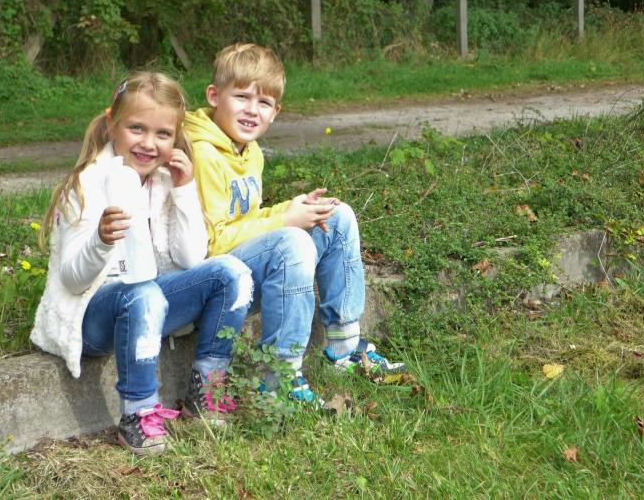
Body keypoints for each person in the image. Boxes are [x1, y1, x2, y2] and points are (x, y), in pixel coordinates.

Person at [31, 71, 252, 455]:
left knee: (231, 273)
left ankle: (207, 388)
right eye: (137, 128)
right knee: (143, 294)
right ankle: (138, 412)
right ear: (112, 124)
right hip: (91, 316)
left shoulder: (165, 181)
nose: (149, 144)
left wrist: (184, 190)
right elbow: (71, 280)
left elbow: (191, 258)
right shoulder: (88, 183)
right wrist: (101, 241)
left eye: (163, 134)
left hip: (148, 306)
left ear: (176, 137)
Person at [184, 43, 405, 403]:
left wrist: (292, 209)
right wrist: (285, 221)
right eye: (241, 97)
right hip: (213, 283)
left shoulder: (249, 150)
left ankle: (345, 349)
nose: (252, 110)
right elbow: (211, 244)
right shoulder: (202, 153)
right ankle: (279, 379)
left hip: (242, 264)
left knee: (338, 217)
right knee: (293, 243)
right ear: (214, 96)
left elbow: (247, 220)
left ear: (276, 112)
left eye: (264, 102)